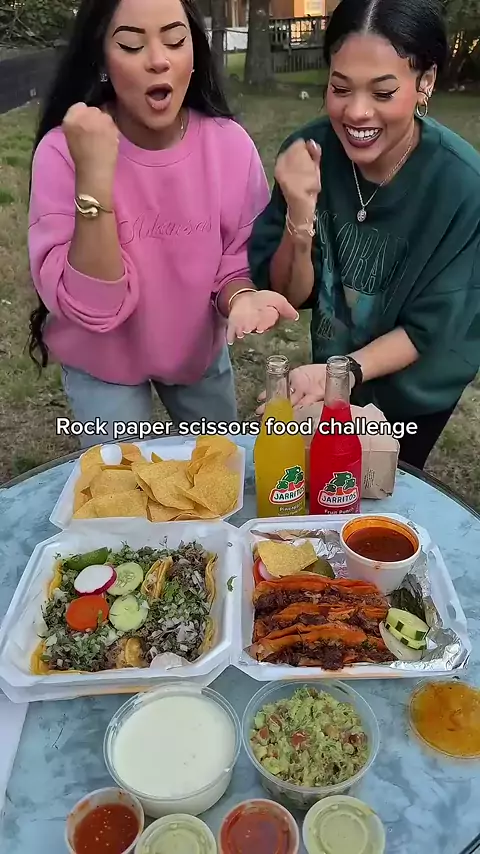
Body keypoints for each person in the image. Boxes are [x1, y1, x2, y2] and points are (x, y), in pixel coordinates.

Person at [27, 0, 297, 448]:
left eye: (174, 40)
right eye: (132, 45)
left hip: (195, 354)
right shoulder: (63, 152)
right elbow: (94, 305)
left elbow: (234, 264)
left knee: (220, 469)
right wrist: (94, 177)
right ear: (101, 60)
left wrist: (243, 296)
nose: (158, 60)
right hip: (102, 361)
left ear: (194, 54)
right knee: (121, 485)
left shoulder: (230, 146)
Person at [248, 0, 480, 470]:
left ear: (425, 82)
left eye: (383, 92)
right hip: (335, 370)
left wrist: (343, 373)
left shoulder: (461, 185)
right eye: (340, 88)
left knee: (386, 485)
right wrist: (299, 215)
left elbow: (430, 328)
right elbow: (289, 293)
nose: (356, 112)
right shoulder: (310, 153)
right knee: (325, 484)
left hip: (416, 388)